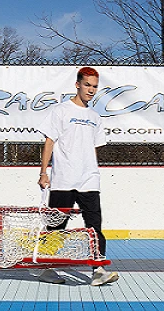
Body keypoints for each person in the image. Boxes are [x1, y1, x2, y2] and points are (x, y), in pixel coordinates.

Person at [37, 66, 119, 286]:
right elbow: (49, 142)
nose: (91, 90)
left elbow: (93, 148)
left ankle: (98, 270)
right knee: (56, 227)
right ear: (77, 85)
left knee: (94, 226)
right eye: (87, 85)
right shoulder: (60, 111)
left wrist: (93, 170)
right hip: (63, 178)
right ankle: (47, 269)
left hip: (89, 180)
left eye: (94, 86)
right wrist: (44, 172)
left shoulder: (95, 117)